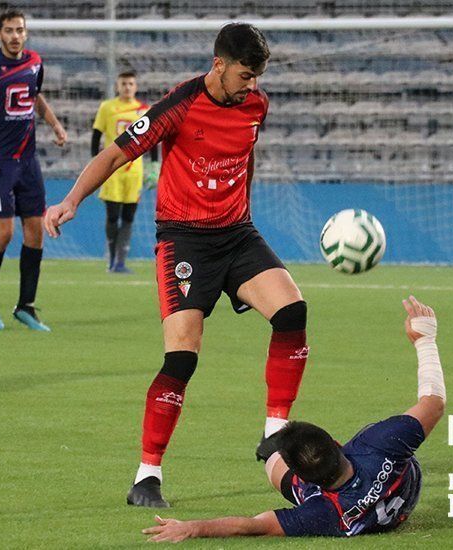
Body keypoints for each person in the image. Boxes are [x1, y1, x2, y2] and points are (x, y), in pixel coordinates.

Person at [44, 23, 310, 507]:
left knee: (293, 312)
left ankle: (276, 430)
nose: (252, 86)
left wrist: (242, 212)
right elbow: (115, 154)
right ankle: (147, 476)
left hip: (237, 234)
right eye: (245, 76)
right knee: (182, 359)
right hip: (185, 243)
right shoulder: (179, 105)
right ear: (219, 66)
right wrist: (70, 201)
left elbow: (244, 159)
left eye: (257, 78)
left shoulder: (256, 105)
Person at [141, 296, 446, 541]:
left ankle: (277, 454)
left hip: (351, 507)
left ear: (304, 482)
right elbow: (434, 402)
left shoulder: (320, 512)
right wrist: (424, 339)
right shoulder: (381, 444)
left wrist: (191, 527)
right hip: (403, 493)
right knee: (280, 455)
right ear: (337, 443)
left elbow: (251, 525)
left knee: (273, 462)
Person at [0, 8, 67, 332]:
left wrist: (55, 124)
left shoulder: (34, 61)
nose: (15, 35)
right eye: (9, 30)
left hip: (28, 162)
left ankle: (26, 307)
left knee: (36, 233)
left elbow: (35, 97)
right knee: (4, 233)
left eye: (20, 29)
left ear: (26, 32)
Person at [90, 70, 156, 273]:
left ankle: (120, 261)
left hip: (134, 172)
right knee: (112, 215)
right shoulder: (107, 108)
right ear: (117, 86)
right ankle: (111, 257)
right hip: (112, 171)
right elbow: (96, 136)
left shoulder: (144, 110)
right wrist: (95, 163)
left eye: (130, 84)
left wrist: (154, 165)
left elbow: (153, 137)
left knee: (128, 216)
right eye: (124, 83)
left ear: (135, 87)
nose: (127, 87)